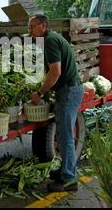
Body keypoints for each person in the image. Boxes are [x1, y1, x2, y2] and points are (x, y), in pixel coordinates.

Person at [28, 15, 83, 192]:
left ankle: (69, 179)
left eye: (32, 27)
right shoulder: (51, 38)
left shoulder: (50, 41)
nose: (30, 31)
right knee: (63, 134)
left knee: (65, 136)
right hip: (68, 90)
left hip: (68, 91)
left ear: (43, 26)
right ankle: (66, 171)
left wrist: (40, 92)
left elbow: (55, 72)